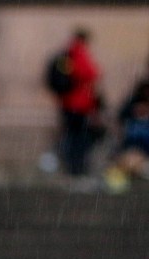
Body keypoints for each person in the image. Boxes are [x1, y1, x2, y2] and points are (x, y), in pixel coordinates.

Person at [51, 28, 104, 177]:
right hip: (79, 105)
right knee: (79, 136)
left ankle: (73, 166)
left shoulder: (66, 54)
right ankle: (77, 167)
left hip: (68, 104)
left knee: (72, 135)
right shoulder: (78, 53)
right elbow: (92, 73)